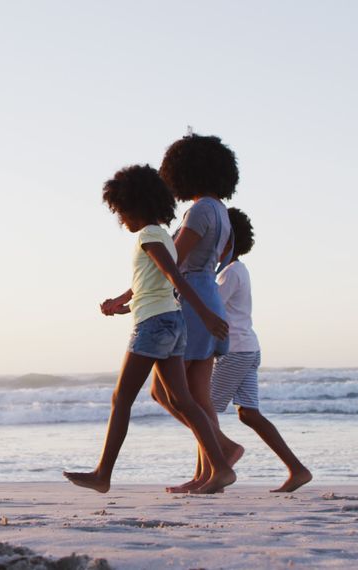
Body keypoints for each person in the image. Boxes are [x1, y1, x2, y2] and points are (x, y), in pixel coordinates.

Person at [63, 164, 237, 495]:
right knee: (183, 399)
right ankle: (222, 467)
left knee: (121, 398)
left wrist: (204, 313)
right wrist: (126, 305)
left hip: (155, 325)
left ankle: (103, 474)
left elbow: (175, 277)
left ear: (135, 205)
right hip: (170, 321)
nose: (120, 219)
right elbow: (155, 285)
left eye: (121, 211)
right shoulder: (163, 236)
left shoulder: (149, 236)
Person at [145, 133, 245, 492]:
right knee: (199, 397)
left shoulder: (201, 209)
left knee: (164, 390)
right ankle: (208, 472)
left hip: (191, 304)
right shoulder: (222, 213)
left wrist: (132, 294)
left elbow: (172, 260)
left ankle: (223, 451)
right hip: (208, 300)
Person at [211, 208, 312, 492]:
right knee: (248, 414)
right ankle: (297, 469)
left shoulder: (230, 273)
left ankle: (213, 472)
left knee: (205, 411)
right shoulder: (237, 270)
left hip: (236, 350)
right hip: (248, 348)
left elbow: (210, 306)